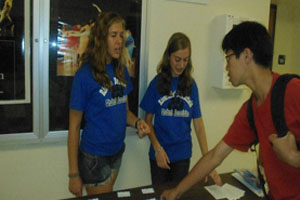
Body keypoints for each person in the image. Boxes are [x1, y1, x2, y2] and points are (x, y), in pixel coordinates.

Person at [160, 22, 300, 200]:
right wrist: (177, 191)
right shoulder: (250, 110)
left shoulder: (293, 92)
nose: (226, 66)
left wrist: (294, 157)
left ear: (247, 56)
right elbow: (215, 156)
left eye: (229, 58)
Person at [67, 12, 150, 197]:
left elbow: (125, 111)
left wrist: (137, 122)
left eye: (122, 35)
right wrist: (73, 174)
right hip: (95, 158)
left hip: (117, 152)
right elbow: (73, 128)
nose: (119, 41)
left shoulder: (121, 70)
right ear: (100, 38)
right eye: (113, 35)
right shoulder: (84, 75)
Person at [140, 32, 222, 186]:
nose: (181, 65)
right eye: (177, 59)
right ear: (168, 56)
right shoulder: (156, 83)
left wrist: (208, 161)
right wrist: (157, 149)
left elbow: (199, 126)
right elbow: (147, 121)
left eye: (185, 60)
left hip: (182, 156)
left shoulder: (192, 86)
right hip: (159, 154)